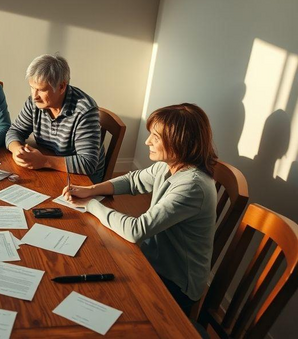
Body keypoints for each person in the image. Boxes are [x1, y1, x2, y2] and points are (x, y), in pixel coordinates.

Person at [63, 103, 218, 315]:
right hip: (152, 259)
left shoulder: (192, 186)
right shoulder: (170, 165)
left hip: (175, 283)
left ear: (179, 141)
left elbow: (136, 231)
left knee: (100, 291)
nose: (147, 141)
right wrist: (90, 189)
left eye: (155, 136)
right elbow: (133, 180)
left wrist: (90, 204)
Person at [6, 54, 105, 183]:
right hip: (51, 168)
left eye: (41, 90)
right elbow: (15, 131)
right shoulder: (35, 102)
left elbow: (88, 164)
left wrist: (44, 161)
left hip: (82, 180)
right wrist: (16, 150)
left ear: (62, 86)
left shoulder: (84, 111)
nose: (34, 96)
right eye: (32, 87)